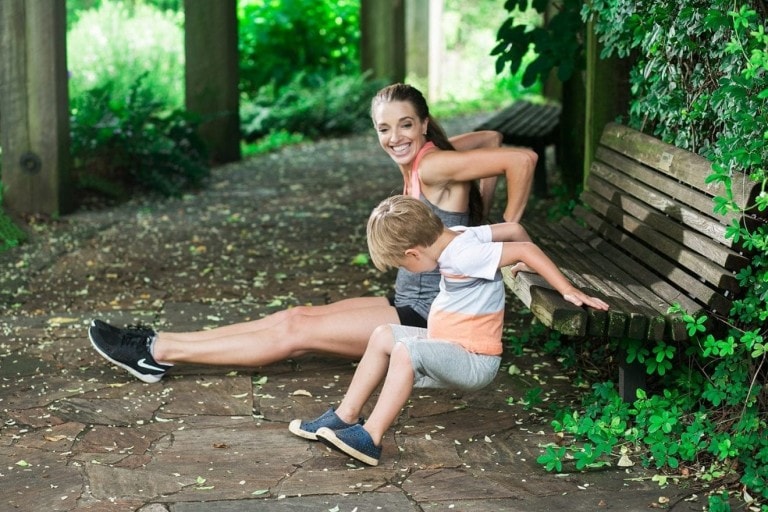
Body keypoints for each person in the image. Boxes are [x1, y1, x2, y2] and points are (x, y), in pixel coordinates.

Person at [88, 83, 538, 384]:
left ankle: (155, 350)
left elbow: (521, 160)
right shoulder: (431, 158)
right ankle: (156, 347)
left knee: (295, 333)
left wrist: (501, 234)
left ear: (424, 122)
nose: (395, 137)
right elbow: (493, 139)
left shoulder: (436, 164)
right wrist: (456, 172)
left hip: (425, 319)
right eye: (385, 128)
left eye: (406, 124)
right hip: (409, 301)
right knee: (294, 316)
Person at [289, 195, 609, 466]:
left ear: (413, 253)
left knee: (406, 350)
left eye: (403, 265)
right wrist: (523, 263)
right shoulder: (456, 234)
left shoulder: (465, 255)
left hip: (473, 360)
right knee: (383, 334)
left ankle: (370, 438)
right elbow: (513, 230)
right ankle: (345, 415)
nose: (406, 271)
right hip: (448, 344)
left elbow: (524, 248)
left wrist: (567, 289)